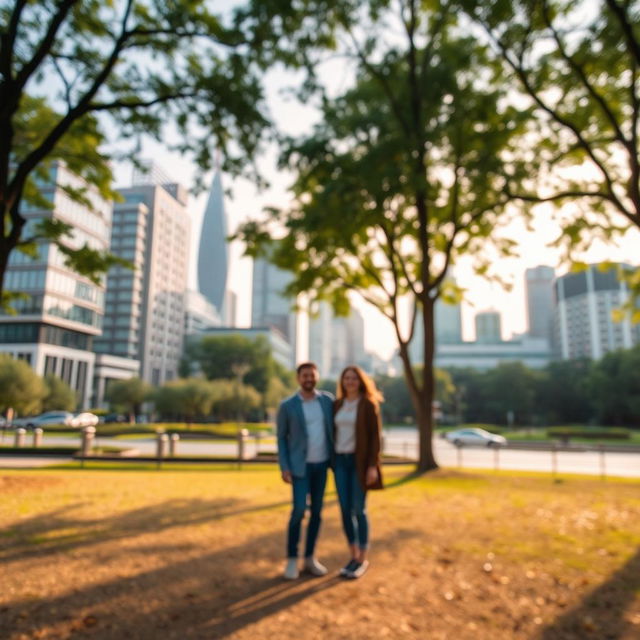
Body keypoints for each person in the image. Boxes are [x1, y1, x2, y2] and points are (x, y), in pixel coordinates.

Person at [277, 362, 335, 580]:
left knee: (317, 513)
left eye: (312, 374)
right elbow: (281, 438)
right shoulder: (288, 405)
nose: (308, 378)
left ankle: (310, 558)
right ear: (298, 378)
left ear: (317, 376)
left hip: (323, 465)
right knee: (299, 510)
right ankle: (292, 559)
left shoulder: (327, 401)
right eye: (304, 375)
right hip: (300, 468)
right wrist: (284, 466)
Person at [333, 365, 384, 579]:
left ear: (360, 381)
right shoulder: (337, 405)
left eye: (354, 378)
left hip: (359, 463)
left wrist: (372, 466)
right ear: (342, 382)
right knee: (344, 509)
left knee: (358, 509)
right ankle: (352, 555)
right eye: (347, 378)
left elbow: (375, 438)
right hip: (339, 462)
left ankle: (362, 558)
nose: (350, 382)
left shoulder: (368, 405)